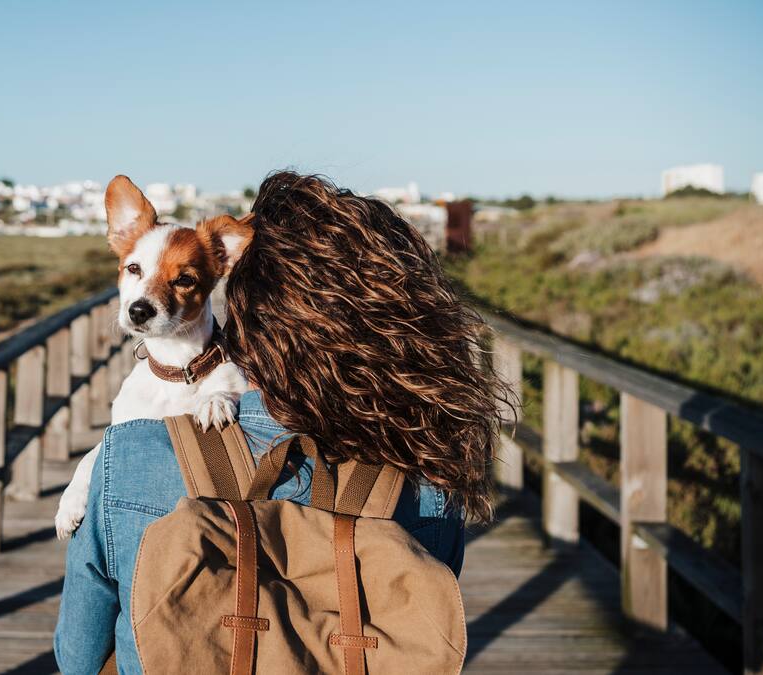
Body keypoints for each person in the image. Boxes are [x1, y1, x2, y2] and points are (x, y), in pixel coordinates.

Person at [54, 171, 506, 674]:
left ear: (248, 308)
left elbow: (78, 655)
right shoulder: (427, 467)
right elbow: (429, 620)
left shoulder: (128, 457)